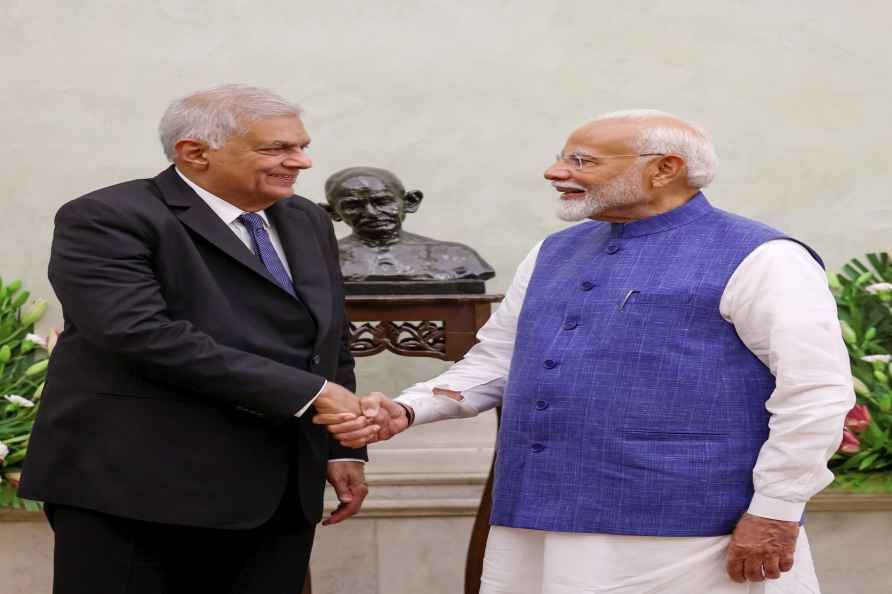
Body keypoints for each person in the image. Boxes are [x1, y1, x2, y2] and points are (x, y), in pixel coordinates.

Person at [317, 110, 855, 593]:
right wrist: (410, 408)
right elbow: (497, 362)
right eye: (561, 157)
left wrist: (777, 511)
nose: (556, 172)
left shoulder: (765, 257)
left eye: (581, 161)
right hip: (536, 522)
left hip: (687, 529)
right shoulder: (554, 251)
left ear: (664, 168)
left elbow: (816, 394)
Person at [19, 84, 369, 594]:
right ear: (195, 152)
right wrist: (309, 395)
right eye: (277, 149)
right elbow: (140, 334)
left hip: (278, 491)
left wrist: (343, 447)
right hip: (139, 491)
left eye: (301, 145)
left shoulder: (307, 218)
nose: (303, 162)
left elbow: (328, 336)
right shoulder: (106, 217)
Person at [321, 166, 495, 283]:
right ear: (332, 213)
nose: (371, 213)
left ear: (410, 202)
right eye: (353, 205)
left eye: (382, 201)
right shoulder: (321, 260)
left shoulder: (458, 258)